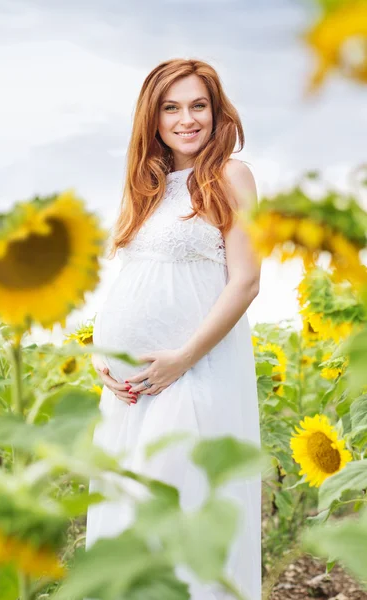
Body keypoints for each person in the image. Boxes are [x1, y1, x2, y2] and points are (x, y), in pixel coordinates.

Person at [87, 58, 261, 600]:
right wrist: (101, 352)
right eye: (172, 107)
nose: (187, 119)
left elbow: (247, 281)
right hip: (130, 389)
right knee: (127, 515)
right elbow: (131, 276)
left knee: (183, 510)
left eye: (198, 105)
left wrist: (183, 358)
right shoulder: (147, 186)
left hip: (193, 374)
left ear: (216, 111)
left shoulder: (231, 175)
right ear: (153, 117)